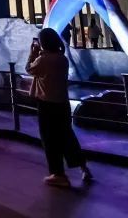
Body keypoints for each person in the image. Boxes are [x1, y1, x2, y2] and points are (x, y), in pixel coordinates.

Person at [26, 28, 92, 187]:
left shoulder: (43, 60)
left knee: (49, 139)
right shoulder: (62, 59)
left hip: (47, 104)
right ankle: (83, 167)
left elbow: (29, 69)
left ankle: (58, 174)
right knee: (67, 136)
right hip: (62, 103)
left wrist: (32, 54)